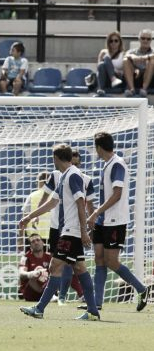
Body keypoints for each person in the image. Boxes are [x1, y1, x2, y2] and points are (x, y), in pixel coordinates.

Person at [19, 144, 100, 321]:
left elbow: (81, 202)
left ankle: (39, 309)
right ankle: (93, 311)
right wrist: (29, 218)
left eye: (53, 158)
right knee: (80, 268)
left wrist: (83, 232)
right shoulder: (64, 176)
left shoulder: (73, 176)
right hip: (70, 230)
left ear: (56, 158)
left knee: (55, 266)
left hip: (71, 231)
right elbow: (51, 203)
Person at [84, 132, 149, 312]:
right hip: (103, 220)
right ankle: (96, 304)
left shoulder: (117, 164)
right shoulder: (107, 165)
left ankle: (142, 289)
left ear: (98, 147)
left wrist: (96, 211)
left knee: (111, 261)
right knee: (98, 258)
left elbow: (118, 193)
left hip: (115, 220)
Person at [20, 171, 51, 246]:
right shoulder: (56, 196)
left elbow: (24, 218)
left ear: (41, 182)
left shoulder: (32, 196)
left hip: (33, 238)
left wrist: (20, 238)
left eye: (37, 181)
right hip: (51, 236)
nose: (36, 184)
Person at [19, 234, 51, 301]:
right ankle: (50, 296)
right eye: (33, 241)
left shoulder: (49, 257)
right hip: (30, 292)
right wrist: (32, 274)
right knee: (34, 277)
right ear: (30, 246)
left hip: (45, 286)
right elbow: (21, 273)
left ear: (43, 242)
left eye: (38, 240)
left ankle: (53, 295)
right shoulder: (25, 257)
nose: (36, 242)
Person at [123, 29, 154, 97]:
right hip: (135, 77)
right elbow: (126, 55)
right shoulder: (132, 51)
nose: (145, 41)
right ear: (139, 39)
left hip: (150, 79)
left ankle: (144, 89)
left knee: (152, 61)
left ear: (151, 40)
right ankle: (131, 89)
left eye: (148, 39)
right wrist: (133, 57)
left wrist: (145, 57)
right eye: (143, 38)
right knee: (126, 60)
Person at [93, 31, 124, 96]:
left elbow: (125, 70)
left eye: (116, 41)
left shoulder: (123, 54)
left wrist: (115, 71)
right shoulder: (103, 52)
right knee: (102, 63)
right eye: (111, 41)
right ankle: (101, 88)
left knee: (106, 58)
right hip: (105, 79)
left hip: (118, 80)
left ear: (119, 42)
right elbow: (99, 68)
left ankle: (113, 79)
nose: (113, 43)